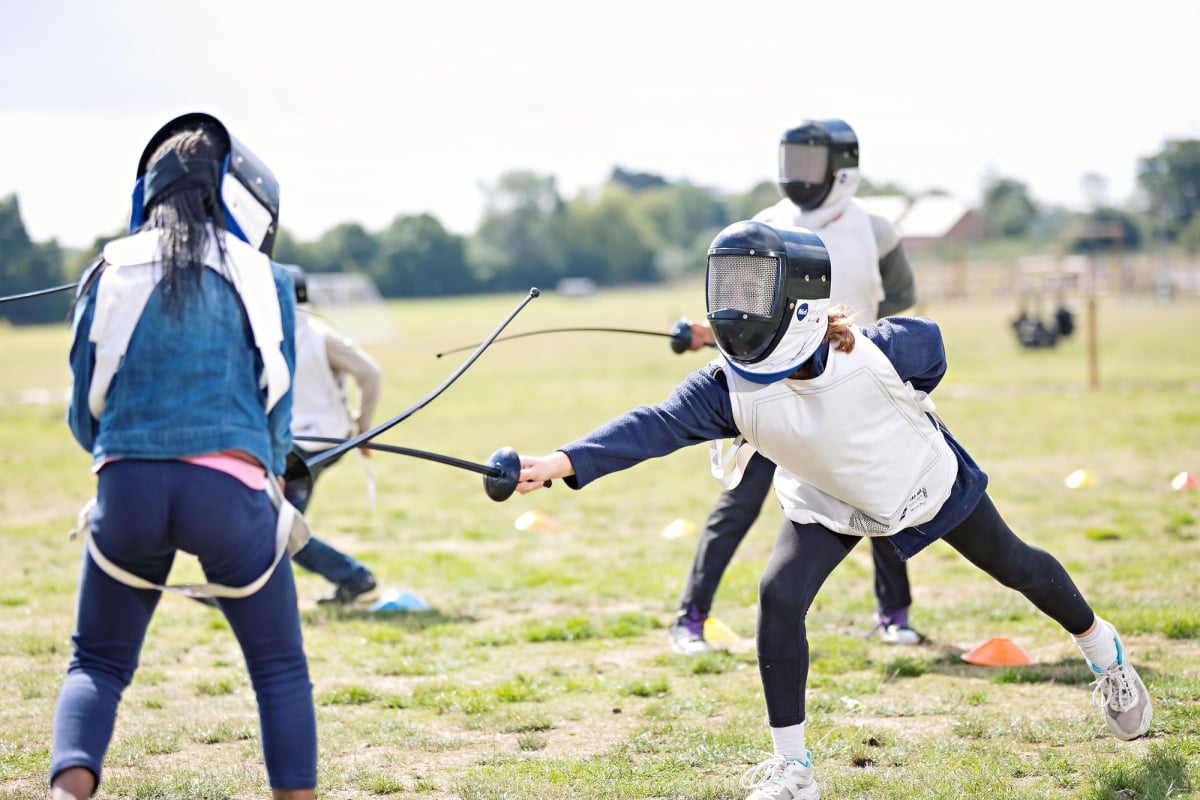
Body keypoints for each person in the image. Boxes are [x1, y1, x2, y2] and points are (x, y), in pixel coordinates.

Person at [512, 220, 1152, 800]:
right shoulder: (725, 387)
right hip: (826, 500)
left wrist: (890, 423)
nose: (740, 303)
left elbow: (932, 354)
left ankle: (1104, 652)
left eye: (755, 288)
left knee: (1016, 565)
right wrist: (558, 462)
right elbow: (653, 426)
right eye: (731, 286)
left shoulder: (881, 349)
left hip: (920, 481)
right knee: (779, 596)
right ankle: (793, 771)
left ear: (801, 298)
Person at [55, 112, 316, 799]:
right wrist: (270, 474)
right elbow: (277, 417)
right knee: (279, 669)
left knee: (96, 666)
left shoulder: (106, 269)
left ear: (148, 192)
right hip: (229, 496)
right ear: (232, 195)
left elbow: (85, 414)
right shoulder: (268, 276)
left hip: (127, 488)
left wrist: (130, 460)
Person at [669, 118, 921, 656]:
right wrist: (705, 332)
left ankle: (894, 615)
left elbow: (900, 298)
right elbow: (748, 307)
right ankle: (690, 618)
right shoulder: (766, 225)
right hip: (771, 387)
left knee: (885, 492)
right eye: (793, 162)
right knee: (739, 502)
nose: (798, 176)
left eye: (810, 163)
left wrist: (856, 343)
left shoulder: (875, 229)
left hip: (852, 387)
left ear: (843, 169)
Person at [281, 264, 381, 604]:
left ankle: (353, 577)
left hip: (311, 447)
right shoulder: (269, 333)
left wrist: (362, 426)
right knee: (276, 523)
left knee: (278, 526)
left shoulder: (318, 336)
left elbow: (370, 374)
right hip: (298, 444)